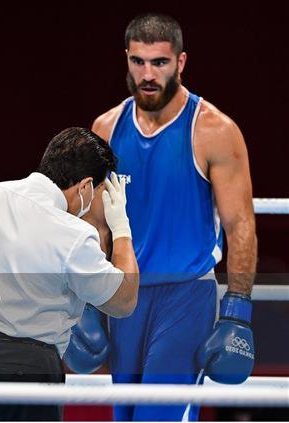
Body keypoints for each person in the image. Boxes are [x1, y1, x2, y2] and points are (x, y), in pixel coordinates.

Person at [65, 13, 257, 421]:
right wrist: (89, 305)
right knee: (126, 416)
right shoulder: (106, 128)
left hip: (186, 297)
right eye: (139, 62)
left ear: (181, 62)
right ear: (127, 60)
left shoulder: (213, 130)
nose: (148, 74)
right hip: (126, 301)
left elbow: (241, 225)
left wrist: (238, 311)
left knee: (160, 418)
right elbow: (94, 226)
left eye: (160, 62)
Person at [0, 127, 139, 421]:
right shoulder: (72, 235)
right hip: (25, 366)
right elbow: (124, 300)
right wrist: (121, 229)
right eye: (97, 193)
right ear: (85, 186)